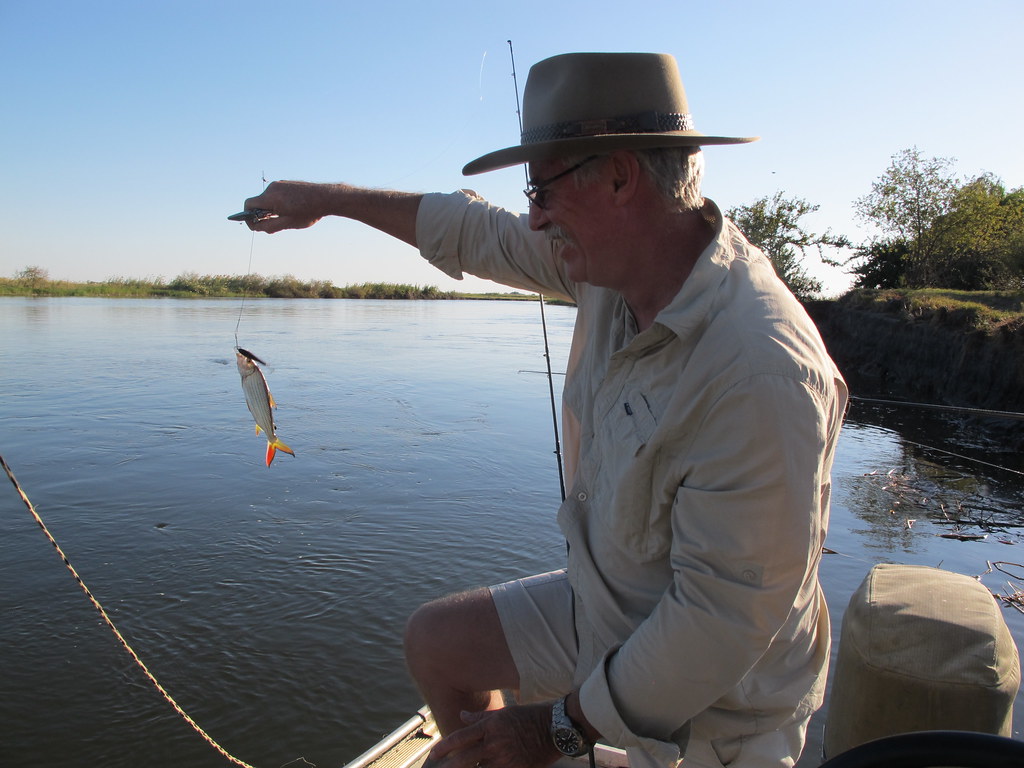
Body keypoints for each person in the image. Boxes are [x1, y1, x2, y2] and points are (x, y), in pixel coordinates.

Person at [241, 52, 848, 768]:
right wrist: (329, 198)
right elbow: (474, 231)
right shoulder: (604, 263)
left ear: (620, 177)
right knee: (436, 644)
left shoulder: (761, 368)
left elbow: (719, 623)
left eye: (543, 190)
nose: (533, 216)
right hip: (604, 610)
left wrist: (551, 729)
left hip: (718, 709)